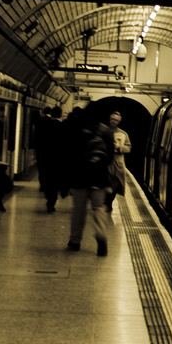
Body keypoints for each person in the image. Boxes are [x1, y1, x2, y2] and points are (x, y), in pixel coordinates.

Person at [67, 110, 126, 256]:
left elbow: (70, 154)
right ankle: (101, 236)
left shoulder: (78, 129)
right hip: (99, 177)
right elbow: (110, 156)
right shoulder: (106, 131)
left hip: (80, 177)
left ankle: (75, 241)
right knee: (99, 208)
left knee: (79, 211)